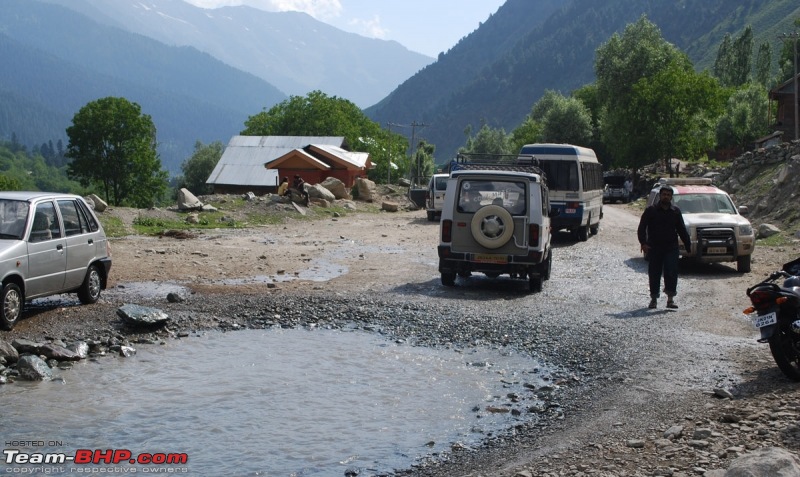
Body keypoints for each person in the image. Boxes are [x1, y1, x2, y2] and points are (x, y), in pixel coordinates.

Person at [637, 186, 691, 309]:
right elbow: (642, 227)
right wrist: (643, 243)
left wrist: (688, 245)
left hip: (671, 247)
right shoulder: (651, 211)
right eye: (664, 194)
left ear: (671, 197)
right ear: (660, 196)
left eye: (668, 194)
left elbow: (681, 229)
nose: (666, 196)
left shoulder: (675, 211)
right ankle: (654, 299)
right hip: (654, 247)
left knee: (671, 272)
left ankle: (670, 299)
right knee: (654, 273)